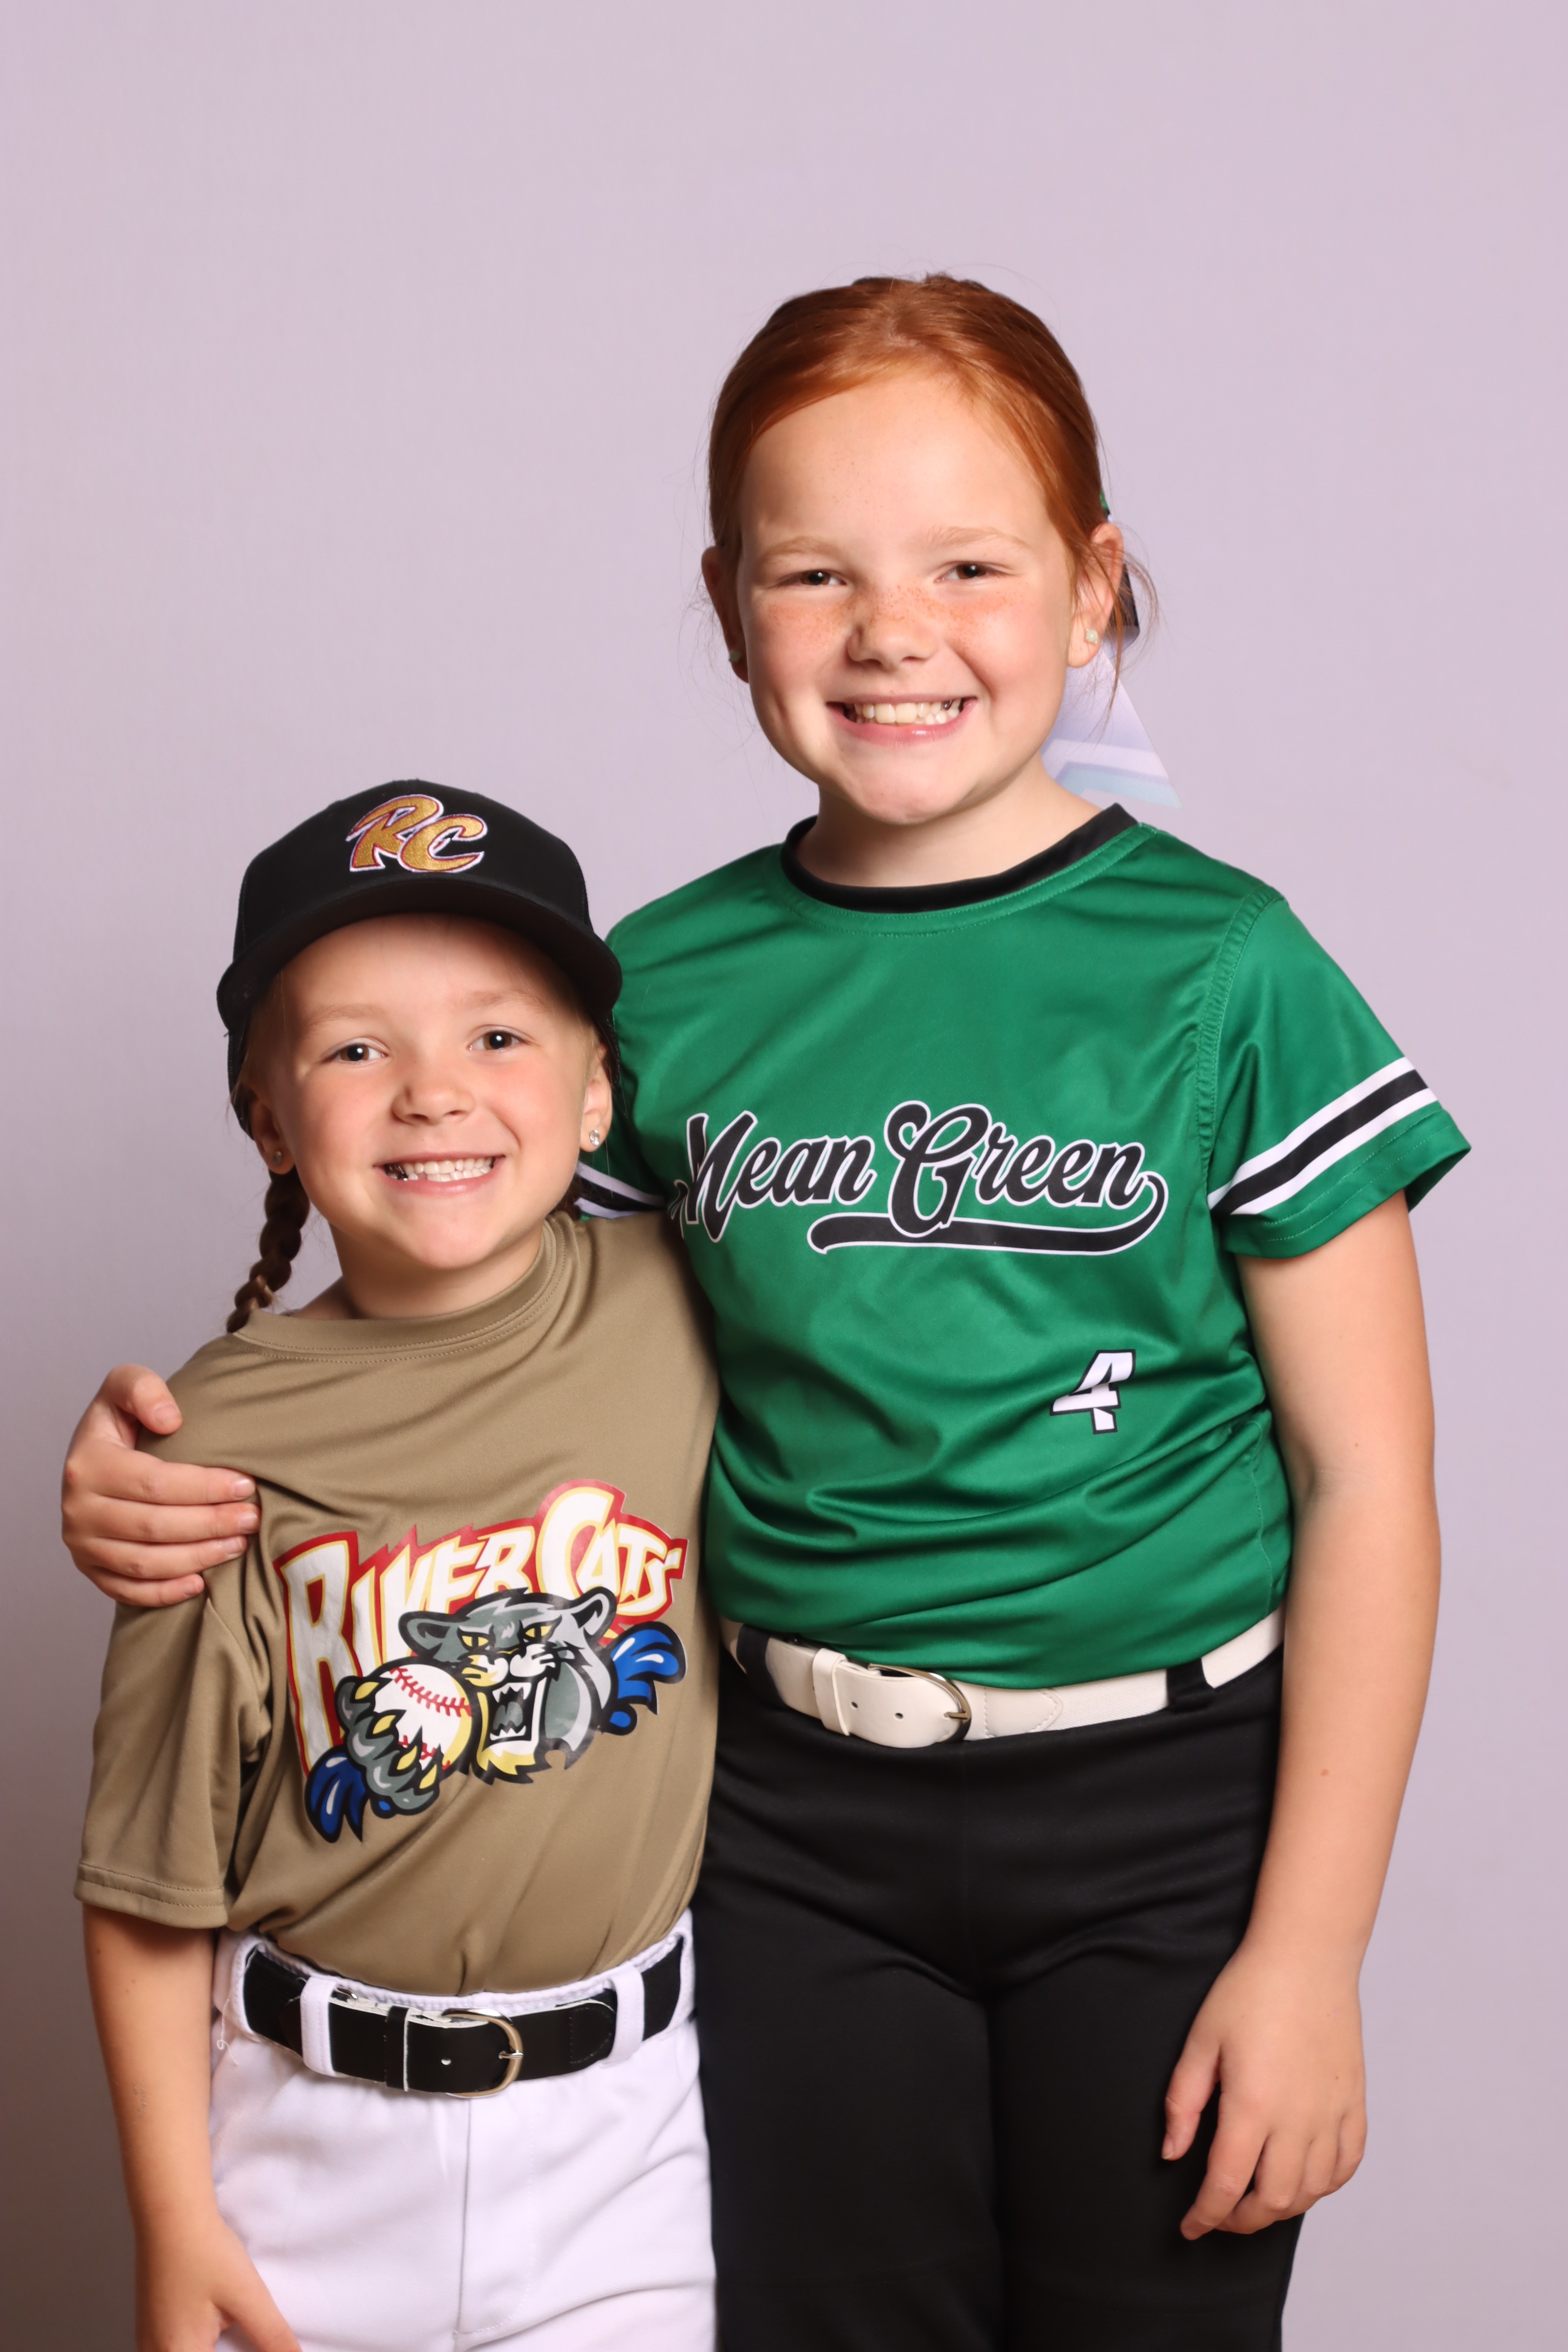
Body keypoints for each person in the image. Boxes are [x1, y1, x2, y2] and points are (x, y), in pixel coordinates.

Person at [65, 276, 1467, 2352]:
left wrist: (1311, 1951)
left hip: (1166, 1818)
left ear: (1092, 588)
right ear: (728, 608)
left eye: (968, 566)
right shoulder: (667, 989)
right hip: (792, 1832)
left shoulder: (1226, 968)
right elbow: (475, 1332)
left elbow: (1367, 1484)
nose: (893, 631)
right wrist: (176, 1461)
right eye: (815, 574)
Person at [74, 786, 720, 2352]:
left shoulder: (695, 1298)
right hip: (304, 2149)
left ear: (595, 1093)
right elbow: (150, 1880)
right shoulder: (211, 1439)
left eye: (498, 1037)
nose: (434, 1093)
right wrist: (174, 2223)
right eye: (357, 1050)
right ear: (268, 1118)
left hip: (626, 2143)